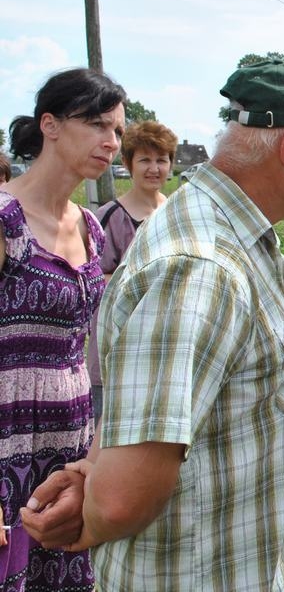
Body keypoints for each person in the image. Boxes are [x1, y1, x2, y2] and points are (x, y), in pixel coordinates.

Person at [20, 59, 284, 591]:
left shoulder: (221, 236)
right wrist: (93, 518)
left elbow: (151, 401)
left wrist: (90, 472)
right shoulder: (203, 267)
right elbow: (124, 497)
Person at [1, 67, 126, 591]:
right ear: (49, 125)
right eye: (97, 125)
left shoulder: (91, 227)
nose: (111, 142)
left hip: (72, 434)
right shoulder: (6, 220)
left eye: (118, 131)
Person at [84, 119, 178, 421]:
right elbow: (92, 279)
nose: (154, 168)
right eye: (145, 160)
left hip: (165, 347)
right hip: (116, 349)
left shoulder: (178, 214)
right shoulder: (108, 217)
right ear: (128, 163)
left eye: (161, 160)